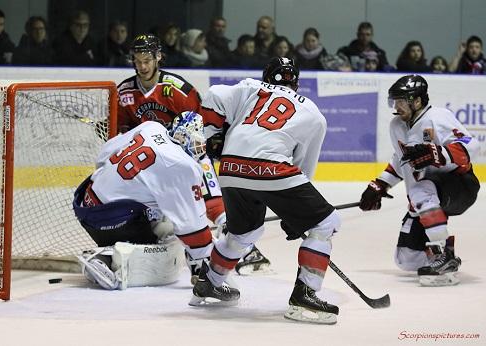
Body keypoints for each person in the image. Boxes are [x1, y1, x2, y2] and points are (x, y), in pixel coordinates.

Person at [192, 57, 342, 325]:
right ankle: (304, 296)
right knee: (326, 222)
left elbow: (214, 94)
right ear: (296, 83)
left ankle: (210, 282)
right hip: (272, 169)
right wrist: (296, 219)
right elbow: (303, 170)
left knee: (245, 232)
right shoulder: (313, 113)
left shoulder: (251, 87)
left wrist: (212, 133)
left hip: (230, 167)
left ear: (266, 76)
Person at [117, 33, 271, 280]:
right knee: (162, 214)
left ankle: (246, 250)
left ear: (158, 57)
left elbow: (201, 126)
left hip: (187, 155)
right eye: (137, 61)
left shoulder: (178, 89)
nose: (142, 66)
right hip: (152, 164)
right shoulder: (124, 92)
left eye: (147, 60)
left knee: (212, 203)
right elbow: (121, 130)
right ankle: (191, 252)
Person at [359, 75, 480, 287]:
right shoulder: (396, 125)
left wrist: (439, 153)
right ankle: (440, 256)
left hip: (460, 185)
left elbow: (472, 145)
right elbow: (400, 161)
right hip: (426, 194)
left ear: (417, 101)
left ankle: (443, 256)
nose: (396, 106)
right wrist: (380, 185)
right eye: (394, 101)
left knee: (420, 192)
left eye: (401, 101)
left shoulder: (438, 117)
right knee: (406, 258)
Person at [73, 111, 213, 289]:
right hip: (113, 219)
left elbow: (103, 155)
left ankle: (113, 247)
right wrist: (209, 260)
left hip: (85, 203)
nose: (199, 147)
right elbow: (191, 226)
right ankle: (109, 258)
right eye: (197, 141)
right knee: (170, 230)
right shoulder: (183, 165)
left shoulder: (151, 127)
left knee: (156, 202)